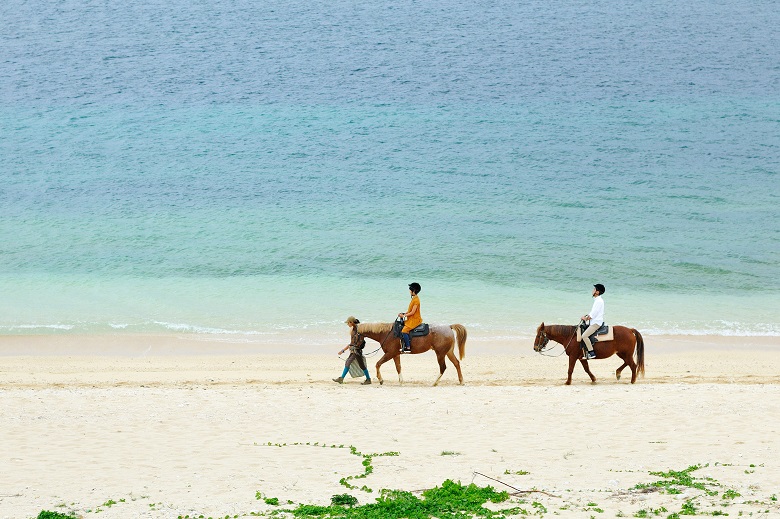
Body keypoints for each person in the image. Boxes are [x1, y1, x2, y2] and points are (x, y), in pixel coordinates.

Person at [333, 316, 372, 385]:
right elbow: (351, 343)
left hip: (357, 351)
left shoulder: (359, 330)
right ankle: (368, 379)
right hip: (354, 350)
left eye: (348, 323)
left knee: (349, 363)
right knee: (361, 365)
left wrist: (354, 347)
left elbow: (360, 340)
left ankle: (341, 378)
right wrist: (343, 350)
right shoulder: (353, 330)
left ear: (351, 322)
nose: (347, 324)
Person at [580, 284, 606, 360]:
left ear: (597, 292)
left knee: (584, 336)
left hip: (596, 323)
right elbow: (592, 313)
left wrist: (585, 318)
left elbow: (592, 315)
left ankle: (592, 353)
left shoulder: (599, 301)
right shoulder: (597, 300)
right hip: (594, 322)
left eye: (594, 289)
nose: (592, 290)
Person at [398, 282, 422, 353]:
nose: (409, 291)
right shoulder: (414, 299)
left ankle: (408, 347)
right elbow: (409, 311)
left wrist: (404, 316)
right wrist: (404, 313)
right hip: (411, 318)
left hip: (415, 319)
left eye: (410, 290)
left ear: (414, 291)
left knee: (404, 330)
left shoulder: (416, 300)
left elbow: (412, 312)